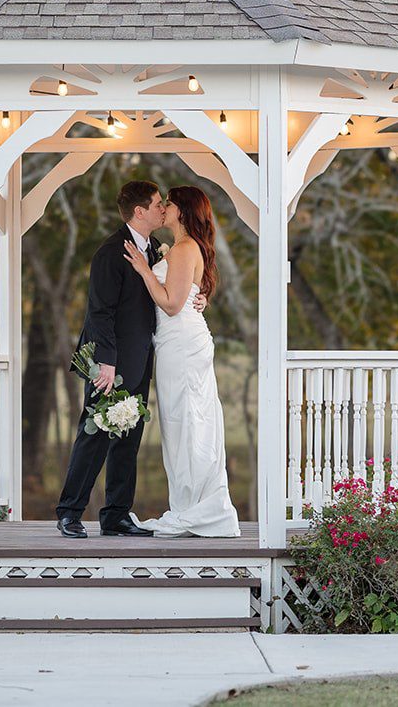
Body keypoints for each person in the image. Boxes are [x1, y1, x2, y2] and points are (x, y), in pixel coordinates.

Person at [53, 180, 204, 538]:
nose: (162, 209)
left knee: (129, 438)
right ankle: (69, 512)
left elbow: (174, 289)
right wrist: (106, 362)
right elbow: (99, 312)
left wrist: (199, 298)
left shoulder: (154, 249)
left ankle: (116, 514)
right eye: (156, 205)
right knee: (95, 434)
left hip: (142, 358)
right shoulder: (110, 252)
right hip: (110, 362)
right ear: (140, 212)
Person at [122, 185, 241, 537]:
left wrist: (145, 270)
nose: (165, 209)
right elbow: (187, 296)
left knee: (189, 421)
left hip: (183, 345)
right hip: (175, 343)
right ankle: (188, 504)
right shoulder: (180, 249)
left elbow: (173, 304)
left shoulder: (185, 249)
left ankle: (198, 508)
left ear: (182, 211)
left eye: (169, 204)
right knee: (180, 421)